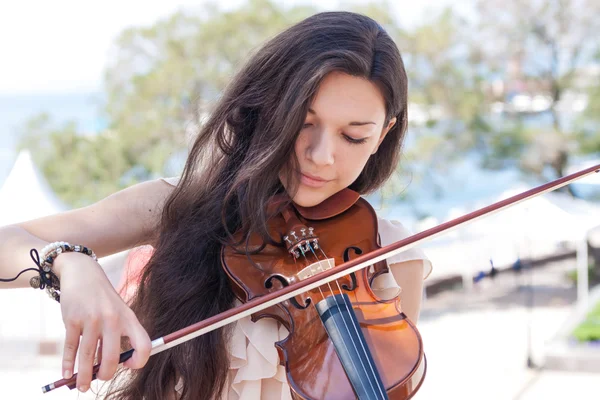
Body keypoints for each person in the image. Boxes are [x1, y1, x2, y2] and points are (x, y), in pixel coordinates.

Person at [0, 11, 432, 400]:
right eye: (303, 123)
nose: (320, 155)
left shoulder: (391, 258)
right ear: (267, 110)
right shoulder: (180, 205)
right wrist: (70, 263)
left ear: (383, 135)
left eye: (353, 136)